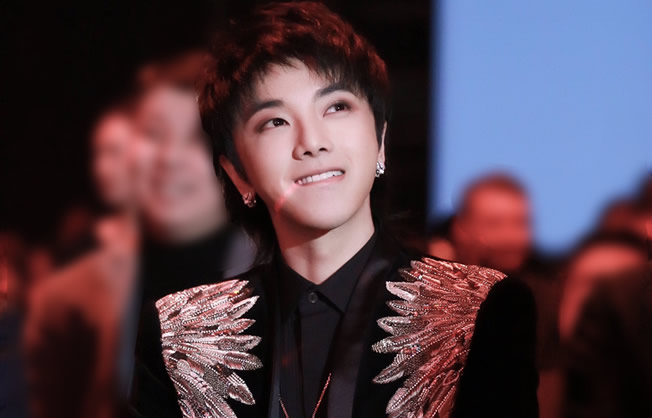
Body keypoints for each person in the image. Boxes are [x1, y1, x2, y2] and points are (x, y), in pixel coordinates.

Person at [151, 3, 538, 418]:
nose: (312, 142)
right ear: (237, 173)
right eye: (275, 121)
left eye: (336, 107)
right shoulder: (179, 334)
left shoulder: (479, 312)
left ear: (380, 140)